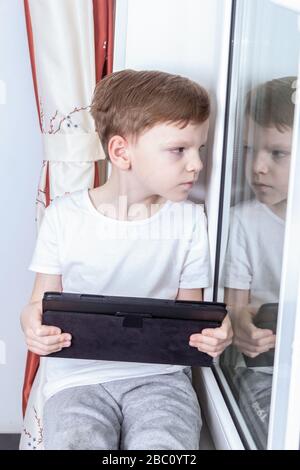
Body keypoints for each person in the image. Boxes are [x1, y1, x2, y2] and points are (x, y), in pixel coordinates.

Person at [21, 69, 232, 450]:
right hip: (76, 379)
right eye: (179, 149)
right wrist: (32, 326)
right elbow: (38, 304)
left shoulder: (189, 221)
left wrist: (216, 333)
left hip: (162, 379)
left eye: (199, 149)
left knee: (165, 445)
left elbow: (191, 313)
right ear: (121, 152)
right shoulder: (63, 217)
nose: (197, 164)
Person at [223, 76, 295, 448]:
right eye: (250, 149)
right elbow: (237, 306)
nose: (257, 167)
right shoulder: (243, 222)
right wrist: (243, 327)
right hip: (264, 371)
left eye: (277, 153)